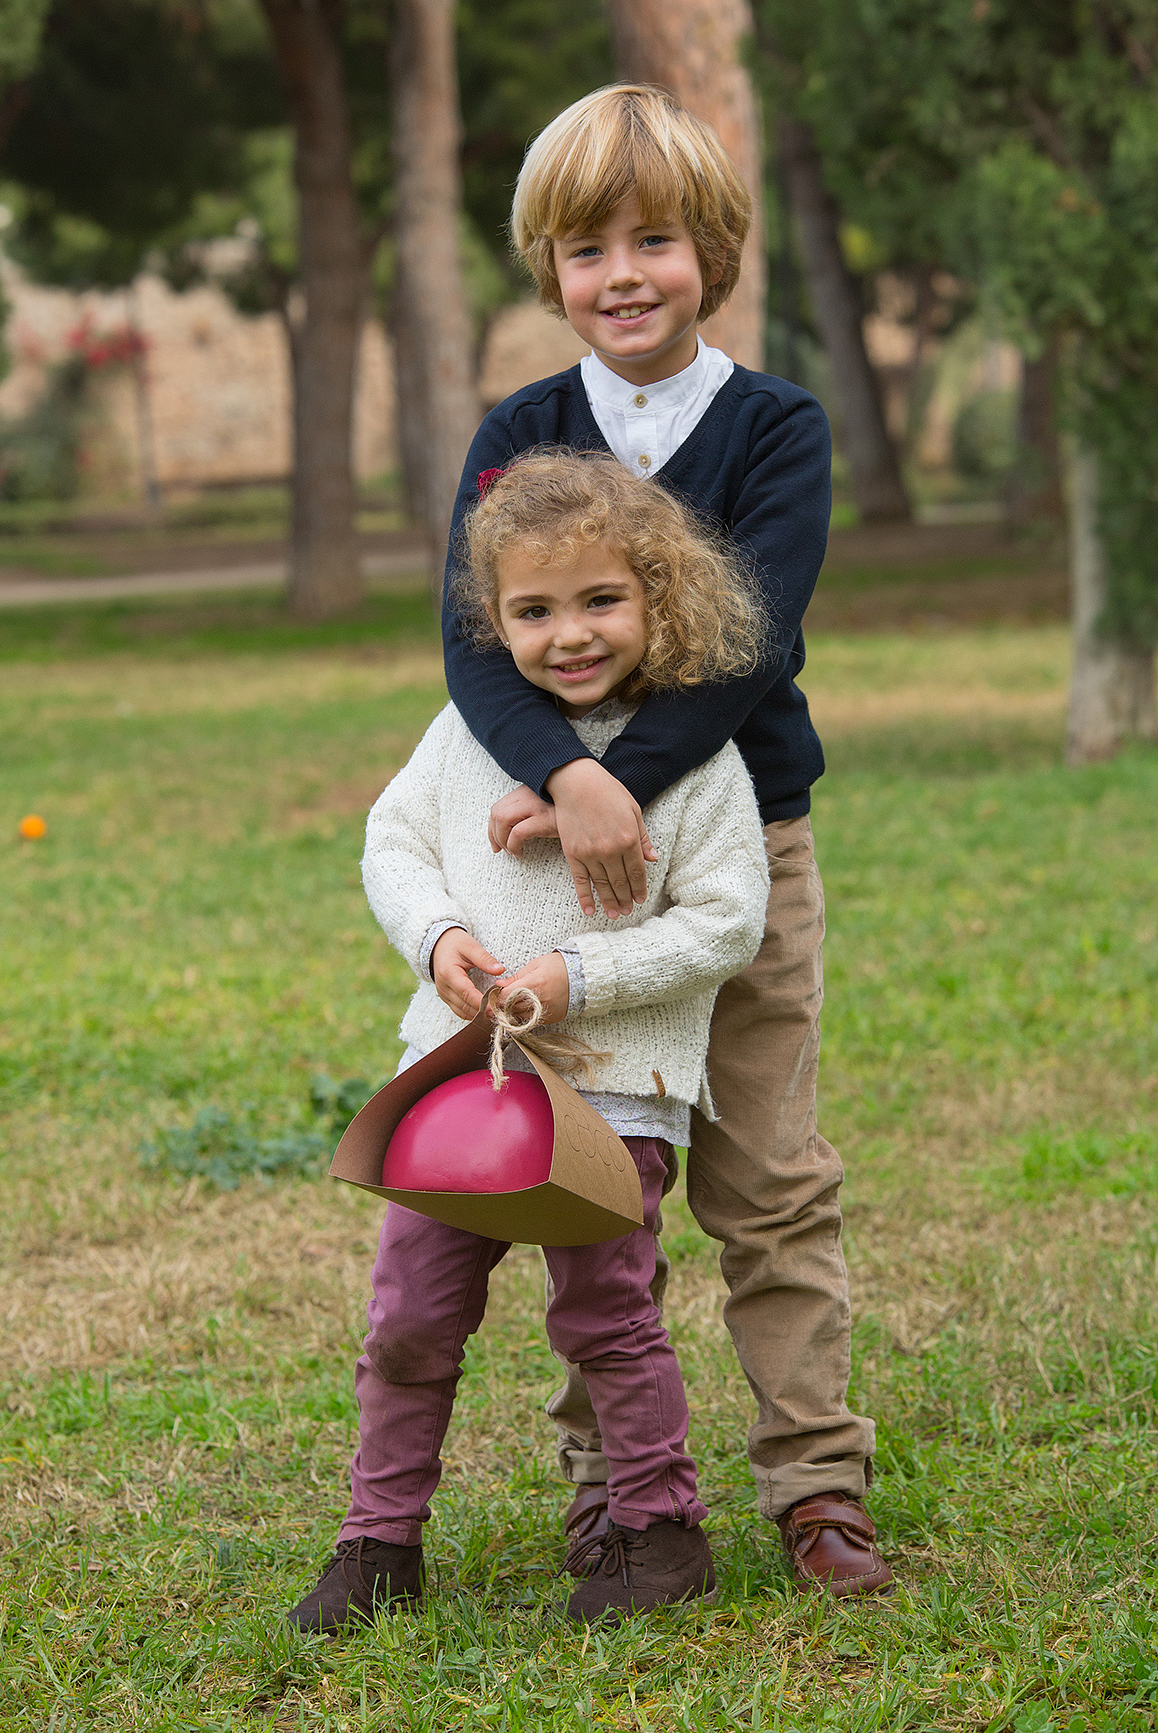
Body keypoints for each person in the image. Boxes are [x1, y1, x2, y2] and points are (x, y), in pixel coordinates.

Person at [439, 83, 892, 1598]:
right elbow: (477, 649)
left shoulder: (776, 428)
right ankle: (618, 1498)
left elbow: (748, 639)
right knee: (585, 1180)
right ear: (546, 268)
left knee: (766, 1179)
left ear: (717, 247)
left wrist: (624, 776)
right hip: (553, 873)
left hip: (735, 848)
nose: (623, 273)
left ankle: (818, 1490)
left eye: (656, 239)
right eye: (585, 248)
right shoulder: (522, 432)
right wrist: (566, 792)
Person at [289, 450, 771, 1633]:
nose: (569, 634)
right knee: (408, 1312)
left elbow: (729, 920)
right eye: (533, 610)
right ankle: (378, 1542)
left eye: (602, 599)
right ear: (493, 620)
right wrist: (438, 937)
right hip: (457, 1086)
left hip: (612, 1087)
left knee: (606, 1308)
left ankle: (658, 1531)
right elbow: (391, 843)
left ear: (662, 595)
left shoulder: (694, 760)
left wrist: (580, 976)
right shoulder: (466, 733)